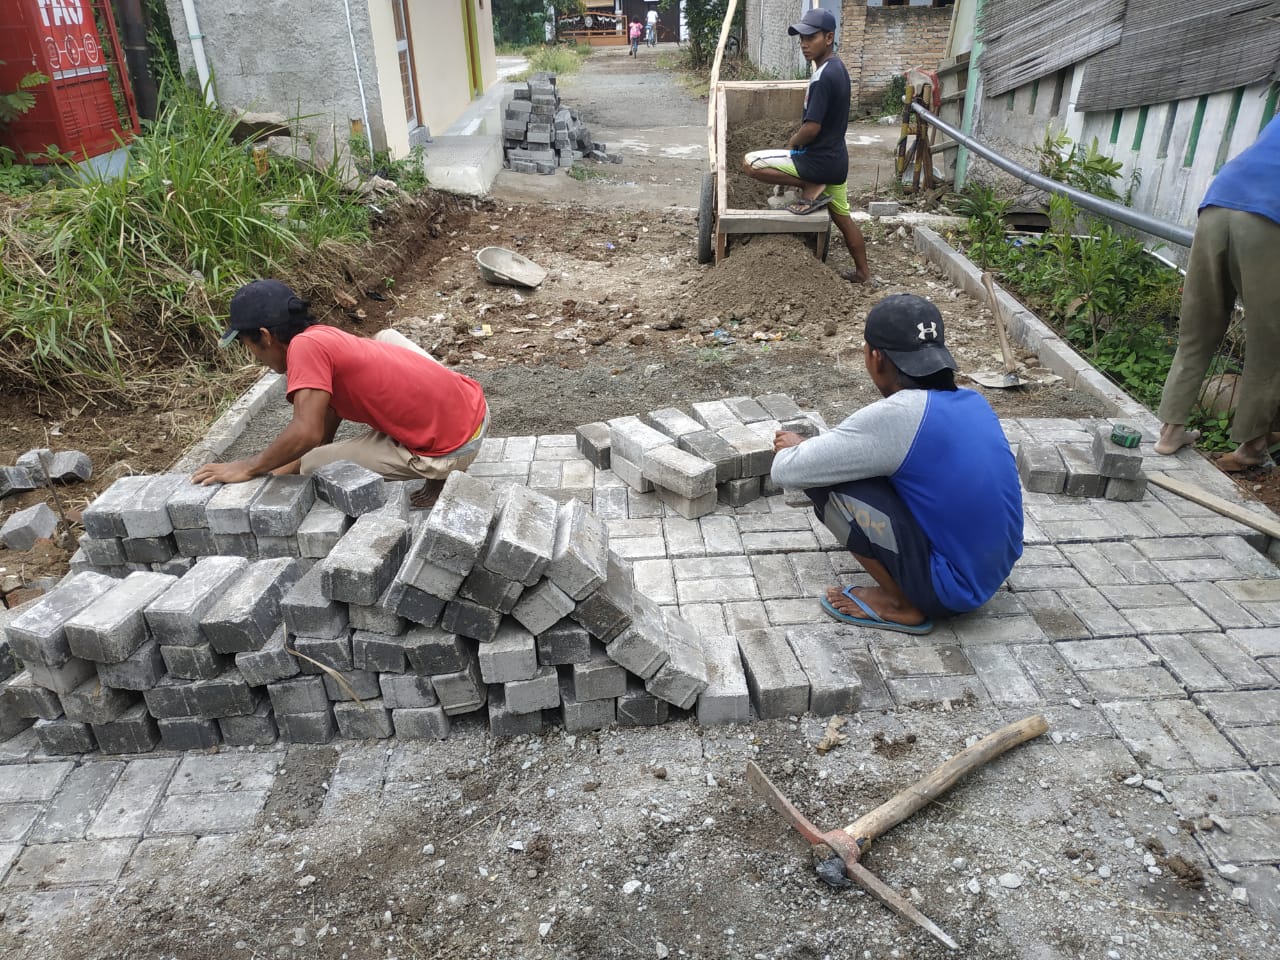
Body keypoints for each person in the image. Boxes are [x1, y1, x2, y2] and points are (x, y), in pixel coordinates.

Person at [770, 294, 1023, 634]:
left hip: (949, 592)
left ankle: (900, 603)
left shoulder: (900, 415)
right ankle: (918, 583)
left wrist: (798, 448)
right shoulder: (972, 401)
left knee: (828, 483)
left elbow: (788, 470)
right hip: (991, 572)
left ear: (875, 357)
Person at [192, 280, 489, 508]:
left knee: (313, 463)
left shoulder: (303, 350)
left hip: (453, 449)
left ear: (265, 337)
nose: (253, 354)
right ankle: (437, 438)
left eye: (247, 344)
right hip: (474, 408)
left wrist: (248, 467)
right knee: (384, 338)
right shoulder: (322, 336)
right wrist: (286, 465)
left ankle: (439, 473)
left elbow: (306, 432)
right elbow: (326, 415)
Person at [1155, 114, 1280, 472]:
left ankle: (1170, 431)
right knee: (1268, 340)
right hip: (1267, 218)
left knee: (1198, 329)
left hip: (1219, 202)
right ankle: (1251, 447)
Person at [740, 7, 870, 284]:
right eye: (801, 38)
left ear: (829, 37)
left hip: (818, 163)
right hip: (836, 162)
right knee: (844, 218)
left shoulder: (823, 77)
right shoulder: (838, 69)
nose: (804, 43)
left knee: (750, 163)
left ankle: (809, 187)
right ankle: (863, 273)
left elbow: (812, 128)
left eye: (811, 37)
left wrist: (792, 143)